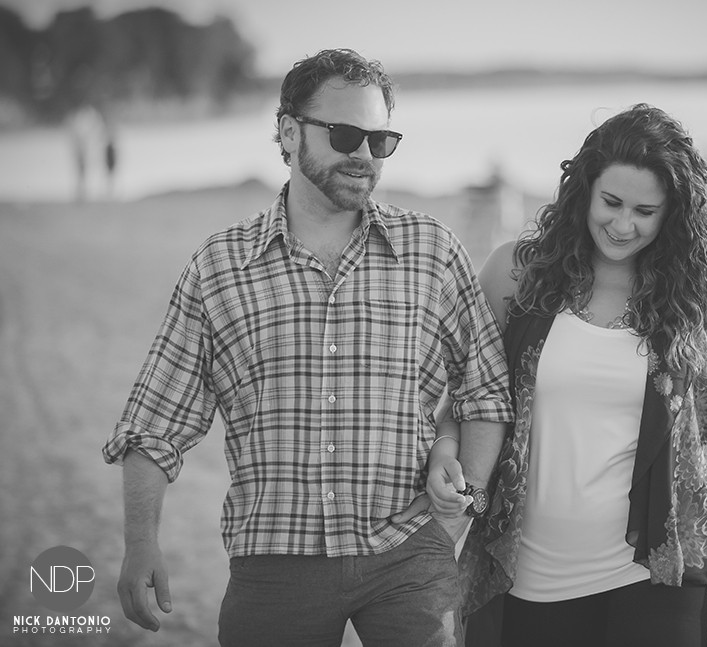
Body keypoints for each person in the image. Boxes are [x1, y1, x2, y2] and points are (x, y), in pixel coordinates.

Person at [102, 48, 512, 647]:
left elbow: (486, 388)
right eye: (345, 135)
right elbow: (154, 424)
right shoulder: (220, 266)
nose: (364, 155)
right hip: (273, 564)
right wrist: (141, 544)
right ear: (290, 133)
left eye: (381, 140)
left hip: (408, 555)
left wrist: (462, 504)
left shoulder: (433, 252)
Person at [431, 104, 707, 647]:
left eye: (644, 211)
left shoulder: (702, 304)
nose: (623, 224)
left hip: (659, 572)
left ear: (672, 214)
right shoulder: (516, 274)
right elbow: (467, 397)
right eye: (610, 202)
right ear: (584, 191)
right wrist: (446, 449)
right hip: (532, 573)